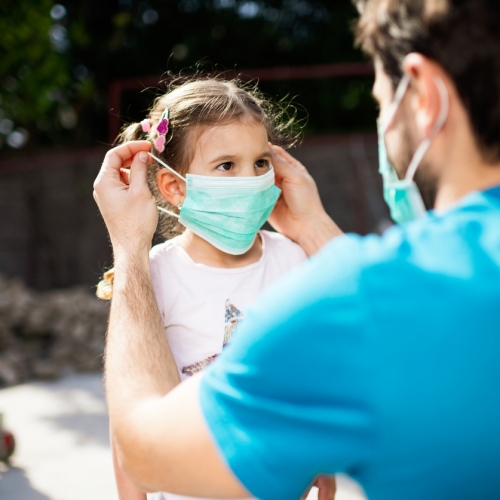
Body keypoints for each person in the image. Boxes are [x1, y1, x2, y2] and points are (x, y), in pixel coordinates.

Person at [93, 0, 500, 498]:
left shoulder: (355, 292)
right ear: (174, 185)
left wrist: (127, 246)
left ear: (425, 96)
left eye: (379, 98)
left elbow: (144, 445)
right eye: (226, 165)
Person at [95, 79, 329, 500]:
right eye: (226, 165)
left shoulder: (294, 259)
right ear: (175, 188)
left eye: (260, 162)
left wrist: (320, 459)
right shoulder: (152, 277)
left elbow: (313, 375)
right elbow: (128, 412)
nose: (252, 179)